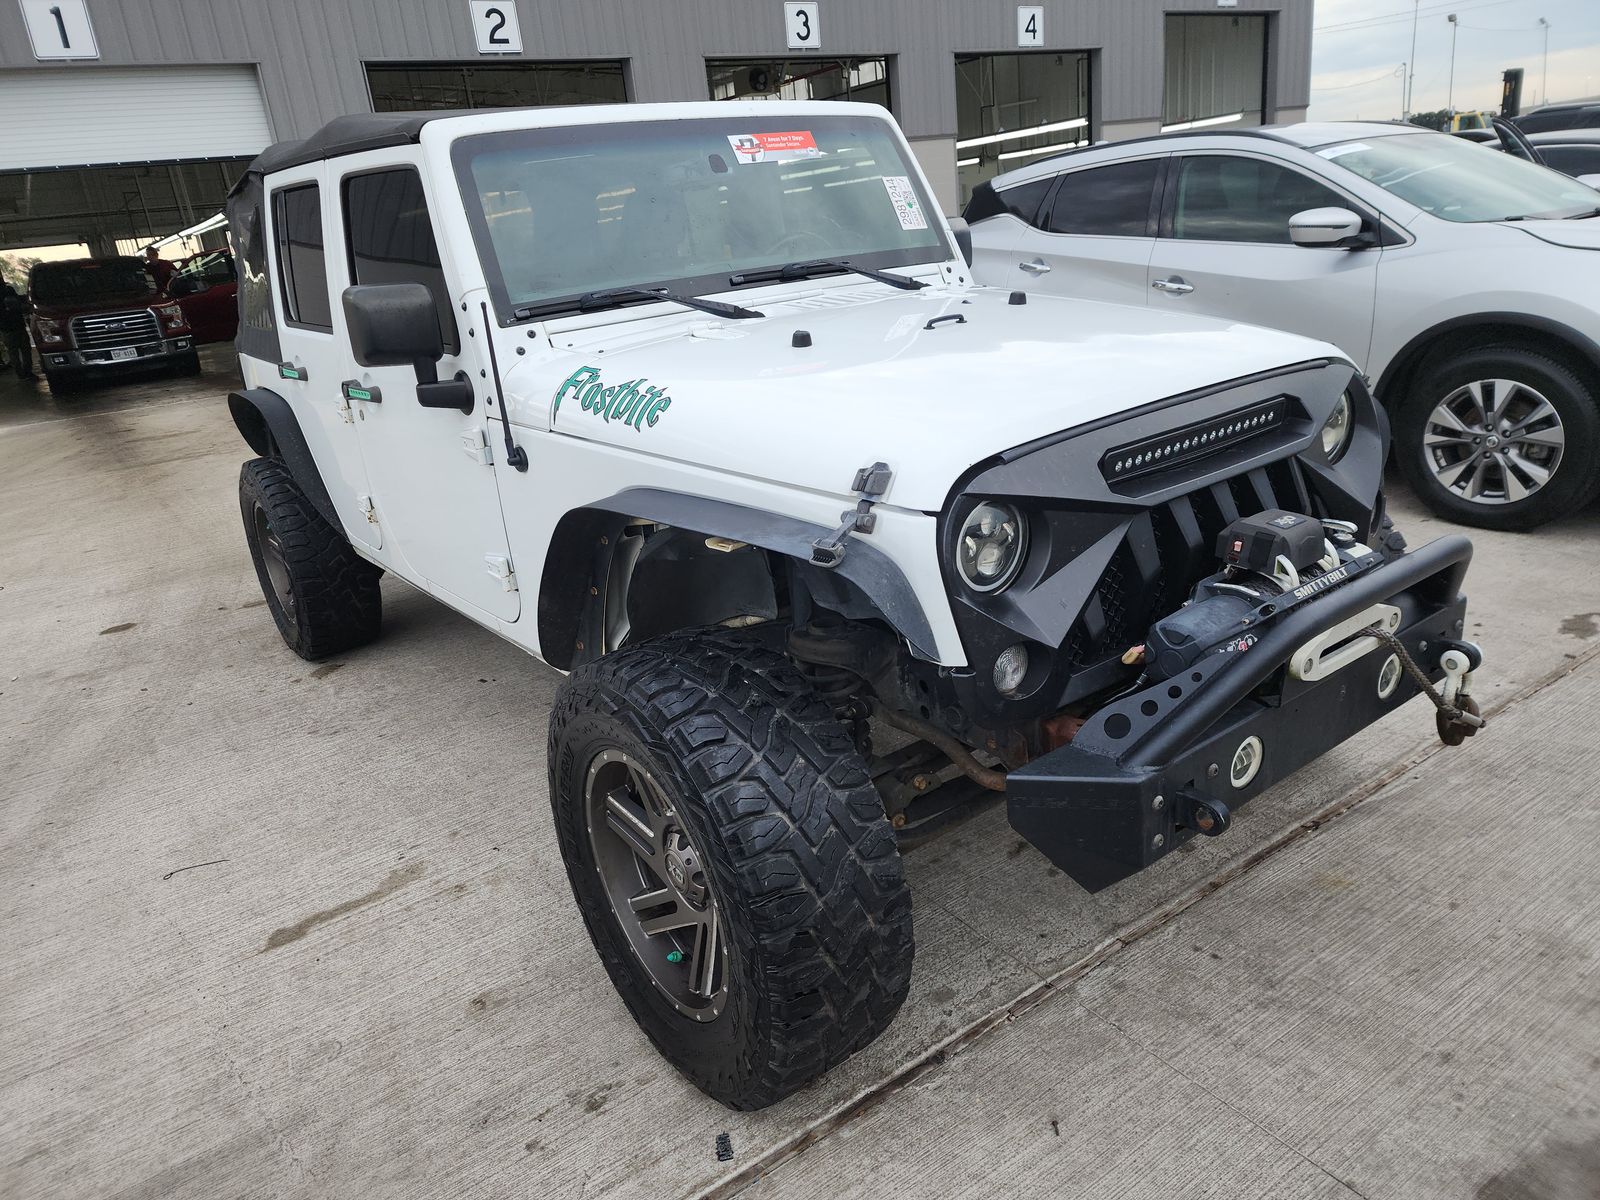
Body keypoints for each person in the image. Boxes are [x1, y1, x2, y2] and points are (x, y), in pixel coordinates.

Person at [0, 282, 34, 380]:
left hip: (6, 328)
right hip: (18, 325)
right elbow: (19, 303)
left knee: (13, 352)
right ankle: (27, 372)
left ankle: (20, 374)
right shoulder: (8, 290)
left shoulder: (8, 290)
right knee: (25, 350)